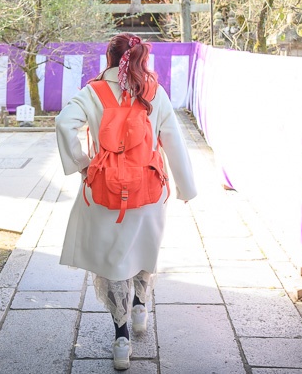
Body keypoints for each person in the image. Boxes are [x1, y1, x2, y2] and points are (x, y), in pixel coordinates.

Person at [56, 33, 197, 370]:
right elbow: (173, 141)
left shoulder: (93, 92)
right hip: (148, 191)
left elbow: (64, 123)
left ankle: (121, 340)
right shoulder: (154, 93)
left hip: (105, 191)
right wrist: (185, 186)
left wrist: (82, 164)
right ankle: (140, 307)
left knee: (115, 260)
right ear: (139, 59)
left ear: (109, 57)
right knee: (144, 249)